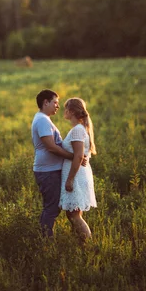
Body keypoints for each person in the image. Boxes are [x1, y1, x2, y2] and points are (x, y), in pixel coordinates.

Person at [31, 89, 87, 238]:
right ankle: (46, 241)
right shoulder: (42, 120)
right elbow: (51, 147)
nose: (57, 106)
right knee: (51, 208)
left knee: (53, 208)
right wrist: (74, 156)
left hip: (50, 169)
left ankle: (46, 239)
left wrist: (77, 157)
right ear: (45, 102)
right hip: (47, 171)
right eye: (55, 102)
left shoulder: (44, 119)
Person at [59, 97, 97, 242]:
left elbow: (79, 155)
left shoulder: (77, 130)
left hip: (76, 176)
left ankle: (88, 244)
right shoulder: (79, 129)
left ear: (71, 111)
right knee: (72, 214)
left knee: (74, 215)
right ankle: (80, 243)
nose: (64, 112)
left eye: (65, 109)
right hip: (78, 174)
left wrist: (70, 179)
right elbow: (80, 155)